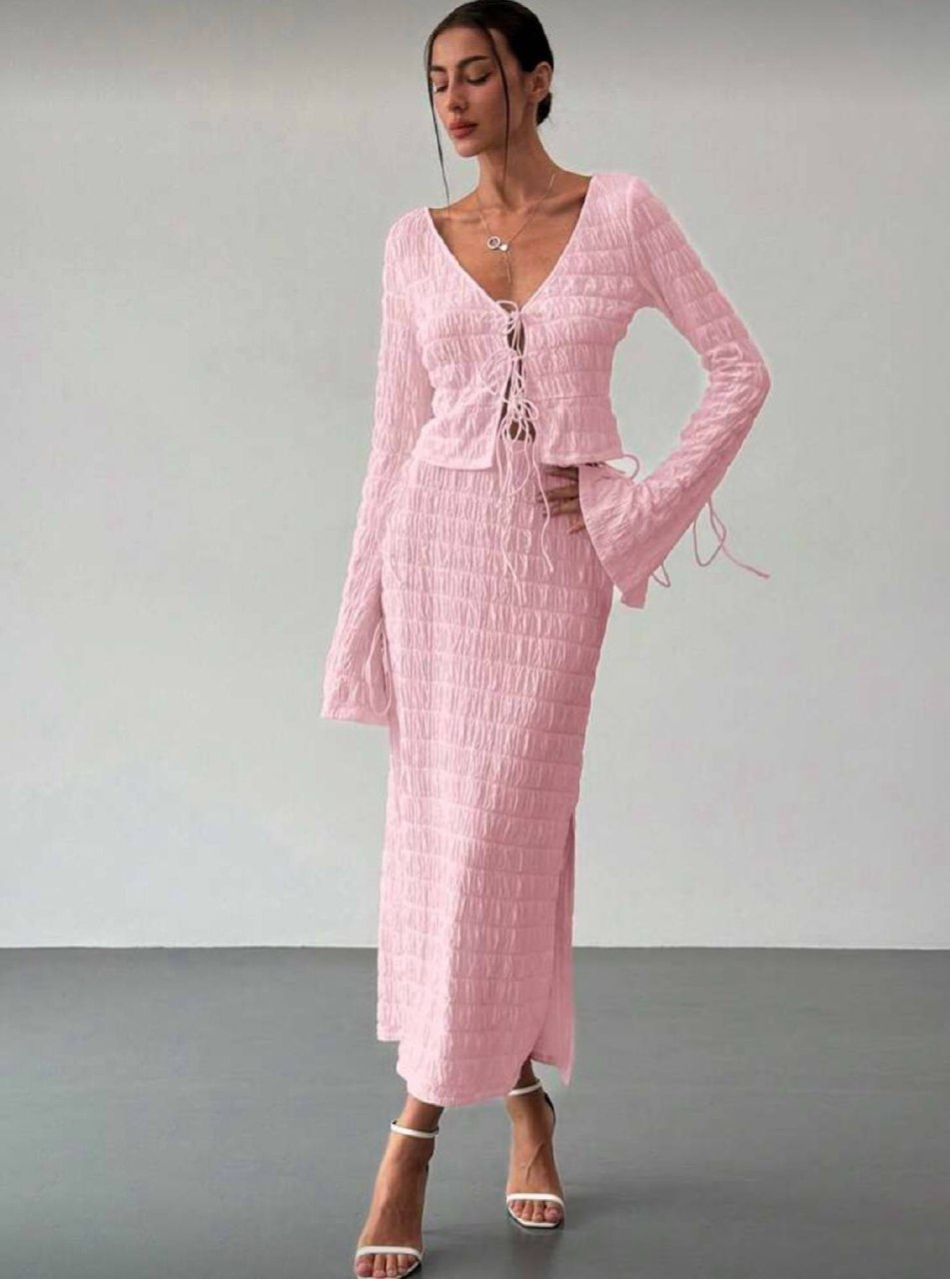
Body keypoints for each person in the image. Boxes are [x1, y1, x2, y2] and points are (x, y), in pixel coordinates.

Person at [321, 5, 773, 1275]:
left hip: (551, 575)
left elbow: (738, 369)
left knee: (499, 838)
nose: (453, 100)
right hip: (434, 558)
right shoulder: (412, 243)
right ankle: (518, 1102)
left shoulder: (618, 211)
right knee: (451, 842)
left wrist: (633, 502)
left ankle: (410, 1139)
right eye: (436, 82)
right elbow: (389, 445)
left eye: (476, 74)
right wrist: (358, 625)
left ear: (536, 79)